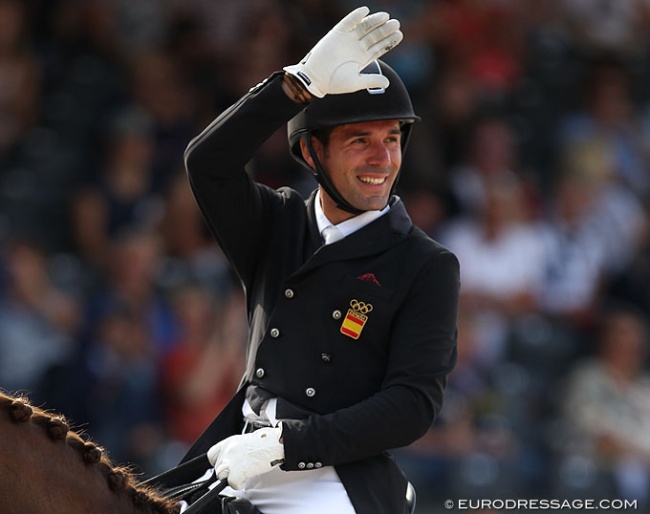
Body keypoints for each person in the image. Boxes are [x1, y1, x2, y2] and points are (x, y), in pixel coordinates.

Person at [177, 7, 460, 514]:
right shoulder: (277, 223)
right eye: (360, 140)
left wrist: (287, 444)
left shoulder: (426, 264)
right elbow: (207, 163)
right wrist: (295, 85)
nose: (383, 159)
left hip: (328, 475)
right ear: (311, 153)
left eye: (391, 138)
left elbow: (412, 406)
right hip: (232, 455)